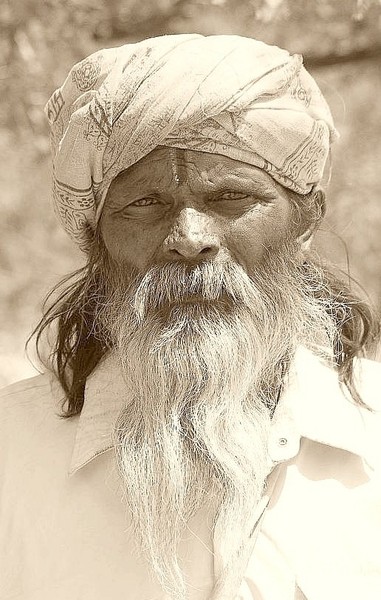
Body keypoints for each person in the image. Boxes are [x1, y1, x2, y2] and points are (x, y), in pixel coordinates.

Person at [1, 34, 381, 600]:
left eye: (231, 198)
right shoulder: (12, 453)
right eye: (145, 204)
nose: (189, 239)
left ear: (305, 223)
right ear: (96, 236)